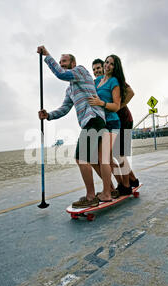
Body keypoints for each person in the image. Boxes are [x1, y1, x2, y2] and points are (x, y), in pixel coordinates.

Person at [36, 45, 112, 208]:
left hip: (94, 118)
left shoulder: (81, 71)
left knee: (80, 158)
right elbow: (64, 109)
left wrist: (47, 56)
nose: (61, 63)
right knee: (95, 159)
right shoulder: (70, 89)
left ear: (73, 62)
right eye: (60, 61)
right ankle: (109, 190)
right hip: (92, 121)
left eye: (64, 61)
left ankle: (91, 197)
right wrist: (48, 115)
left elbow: (60, 73)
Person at [90, 56, 139, 196]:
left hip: (124, 119)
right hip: (109, 120)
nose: (97, 71)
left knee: (119, 153)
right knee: (115, 154)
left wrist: (119, 106)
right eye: (94, 69)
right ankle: (130, 181)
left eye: (99, 68)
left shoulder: (115, 80)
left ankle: (129, 183)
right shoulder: (99, 82)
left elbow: (131, 93)